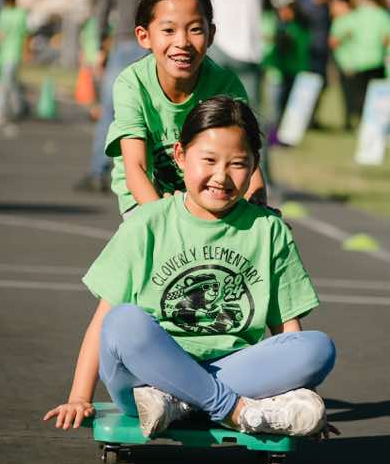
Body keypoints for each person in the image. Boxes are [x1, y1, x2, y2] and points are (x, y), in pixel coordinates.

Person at [44, 96, 337, 440]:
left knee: (317, 347)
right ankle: (232, 410)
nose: (221, 177)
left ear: (255, 165)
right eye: (209, 160)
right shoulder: (147, 224)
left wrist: (302, 393)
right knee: (122, 321)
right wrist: (79, 397)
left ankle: (179, 402)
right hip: (144, 379)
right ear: (181, 156)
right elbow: (103, 322)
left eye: (238, 164)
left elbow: (287, 328)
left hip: (227, 371)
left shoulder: (268, 230)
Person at [105, 0, 266, 218]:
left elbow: (245, 160)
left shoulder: (226, 86)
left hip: (207, 195)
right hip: (145, 197)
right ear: (144, 36)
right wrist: (165, 219)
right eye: (168, 30)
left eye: (195, 30)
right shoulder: (132, 84)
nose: (182, 42)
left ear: (211, 35)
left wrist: (258, 210)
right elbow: (136, 168)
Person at [75, 0, 182, 193]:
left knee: (112, 110)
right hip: (161, 46)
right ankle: (163, 175)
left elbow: (102, 9)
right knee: (161, 110)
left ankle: (98, 171)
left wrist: (100, 44)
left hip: (124, 43)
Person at [0, 0, 29, 122]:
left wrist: (26, 52)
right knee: (11, 82)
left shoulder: (17, 14)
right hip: (6, 54)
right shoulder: (8, 14)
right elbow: (0, 34)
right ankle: (20, 107)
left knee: (3, 82)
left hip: (12, 53)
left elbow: (24, 35)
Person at [329, 0, 357, 130]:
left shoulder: (347, 20)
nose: (332, 8)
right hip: (344, 63)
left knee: (352, 95)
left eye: (335, 5)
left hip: (351, 64)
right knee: (348, 94)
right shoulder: (341, 19)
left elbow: (334, 41)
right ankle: (349, 121)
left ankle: (352, 121)